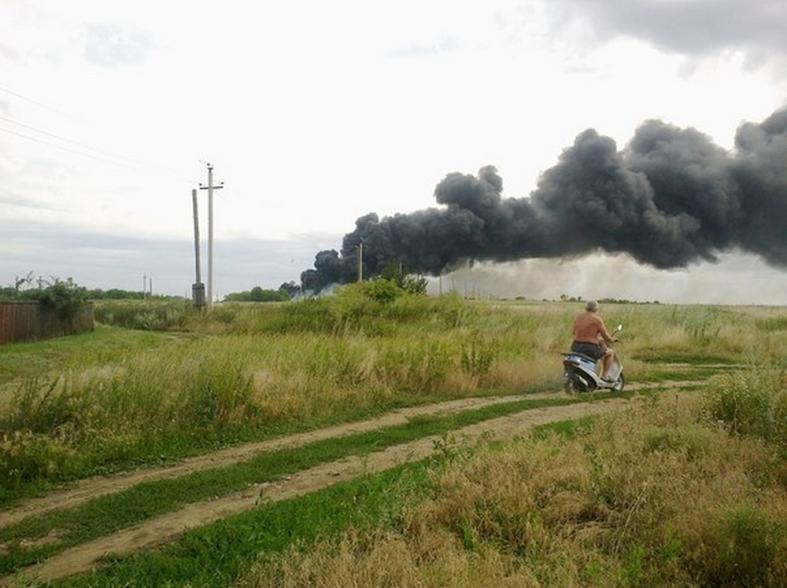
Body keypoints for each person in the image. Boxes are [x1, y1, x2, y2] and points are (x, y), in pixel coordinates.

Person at [571, 300, 617, 380]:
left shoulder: (578, 317)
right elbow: (606, 336)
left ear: (586, 308)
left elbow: (574, 332)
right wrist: (611, 339)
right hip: (590, 348)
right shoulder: (597, 320)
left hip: (575, 346)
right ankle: (605, 376)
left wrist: (596, 338)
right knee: (610, 353)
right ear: (596, 309)